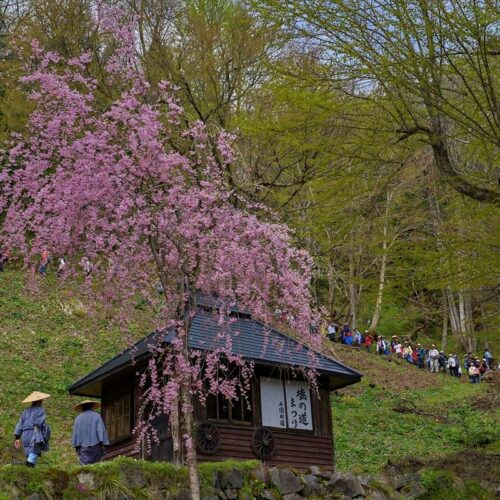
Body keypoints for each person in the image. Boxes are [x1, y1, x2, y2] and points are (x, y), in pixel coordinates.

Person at [14, 391, 51, 467]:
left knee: (29, 454)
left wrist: (17, 437)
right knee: (33, 455)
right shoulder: (40, 410)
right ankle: (28, 471)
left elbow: (20, 424)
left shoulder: (25, 411)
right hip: (34, 434)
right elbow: (40, 423)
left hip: (24, 435)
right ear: (40, 401)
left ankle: (28, 471)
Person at [72, 400, 109, 465]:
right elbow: (101, 430)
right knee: (96, 465)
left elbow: (75, 433)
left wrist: (77, 447)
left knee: (85, 467)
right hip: (96, 445)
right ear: (92, 406)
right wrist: (104, 444)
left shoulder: (78, 418)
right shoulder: (97, 416)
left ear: (82, 408)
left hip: (83, 446)